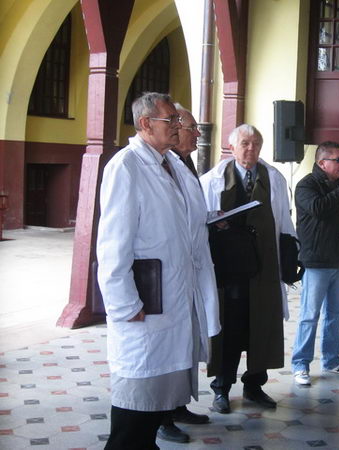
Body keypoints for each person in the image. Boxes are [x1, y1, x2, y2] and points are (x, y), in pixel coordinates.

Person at [97, 92, 220, 449]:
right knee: (133, 415)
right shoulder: (126, 167)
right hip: (143, 308)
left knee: (153, 410)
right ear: (145, 124)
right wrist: (125, 305)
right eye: (171, 120)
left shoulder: (173, 165)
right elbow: (112, 246)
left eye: (179, 120)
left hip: (174, 301)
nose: (179, 126)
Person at [200, 124, 296, 414]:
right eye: (244, 143)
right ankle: (221, 388)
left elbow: (285, 222)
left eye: (256, 143)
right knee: (229, 328)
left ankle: (254, 386)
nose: (251, 149)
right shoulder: (213, 180)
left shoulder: (274, 178)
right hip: (229, 270)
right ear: (232, 147)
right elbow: (199, 222)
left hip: (264, 268)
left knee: (262, 326)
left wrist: (290, 259)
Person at [291, 141, 339, 386]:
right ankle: (300, 364)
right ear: (322, 163)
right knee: (310, 314)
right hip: (316, 261)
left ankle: (332, 360)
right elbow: (319, 209)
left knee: (335, 313)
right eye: (338, 160)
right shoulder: (307, 185)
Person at [156, 104, 213, 444]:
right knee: (170, 349)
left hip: (190, 269)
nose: (196, 133)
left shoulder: (184, 163)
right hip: (169, 275)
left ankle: (178, 406)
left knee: (187, 344)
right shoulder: (163, 165)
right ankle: (163, 417)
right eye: (192, 128)